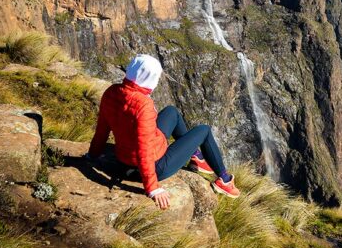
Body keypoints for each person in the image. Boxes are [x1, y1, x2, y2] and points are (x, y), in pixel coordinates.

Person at [87, 54, 240, 209]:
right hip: (155, 165)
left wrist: (92, 154)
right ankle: (225, 180)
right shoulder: (143, 104)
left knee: (171, 111)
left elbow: (102, 130)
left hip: (123, 161)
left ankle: (196, 157)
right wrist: (152, 188)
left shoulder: (111, 92)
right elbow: (144, 149)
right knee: (204, 130)